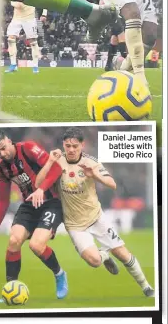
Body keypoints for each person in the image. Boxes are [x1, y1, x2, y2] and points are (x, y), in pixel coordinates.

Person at [35, 127, 154, 298]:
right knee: (94, 261)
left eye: (75, 146)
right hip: (75, 224)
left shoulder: (91, 162)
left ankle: (146, 287)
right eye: (67, 145)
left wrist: (94, 175)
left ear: (82, 145)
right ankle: (105, 256)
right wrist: (48, 162)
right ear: (63, 144)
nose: (71, 149)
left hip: (96, 218)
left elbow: (112, 183)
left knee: (122, 253)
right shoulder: (57, 161)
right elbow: (38, 184)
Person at [0, 129, 68, 300]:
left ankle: (59, 274)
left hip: (51, 203)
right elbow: (3, 200)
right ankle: (9, 289)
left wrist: (41, 189)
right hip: (29, 204)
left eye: (4, 148)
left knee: (36, 245)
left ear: (10, 141)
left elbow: (56, 168)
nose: (2, 154)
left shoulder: (28, 148)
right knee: (13, 240)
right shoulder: (1, 168)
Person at [6, 0, 47, 73]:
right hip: (16, 18)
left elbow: (44, 0)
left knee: (33, 42)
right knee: (10, 39)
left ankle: (35, 66)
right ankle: (13, 64)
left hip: (29, 19)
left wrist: (44, 14)